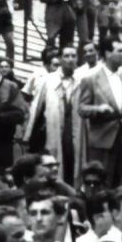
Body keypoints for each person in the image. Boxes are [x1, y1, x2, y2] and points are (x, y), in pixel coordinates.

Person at [78, 38, 122, 185]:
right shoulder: (90, 79)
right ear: (108, 53)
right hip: (104, 137)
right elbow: (81, 108)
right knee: (104, 180)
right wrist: (98, 109)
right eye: (120, 51)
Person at [24, 46, 83, 186]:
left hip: (76, 130)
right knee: (55, 163)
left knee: (75, 163)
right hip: (54, 129)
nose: (70, 59)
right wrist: (28, 135)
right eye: (66, 56)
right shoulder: (47, 80)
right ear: (60, 59)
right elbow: (36, 107)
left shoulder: (82, 80)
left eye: (73, 56)